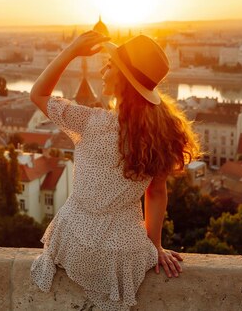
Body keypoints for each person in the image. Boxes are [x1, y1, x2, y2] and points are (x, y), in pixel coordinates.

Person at [29, 30, 200, 310]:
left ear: (122, 80)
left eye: (110, 66)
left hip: (74, 241)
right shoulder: (161, 134)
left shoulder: (90, 122)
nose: (104, 70)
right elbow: (156, 194)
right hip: (125, 254)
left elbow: (38, 94)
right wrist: (155, 246)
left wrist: (71, 50)